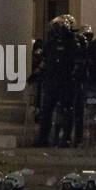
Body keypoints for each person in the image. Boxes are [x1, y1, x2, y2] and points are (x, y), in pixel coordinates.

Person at [34, 15, 79, 147]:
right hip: (52, 81)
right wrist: (36, 73)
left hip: (66, 81)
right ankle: (43, 138)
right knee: (46, 110)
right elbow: (45, 61)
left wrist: (72, 76)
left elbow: (77, 62)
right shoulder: (50, 43)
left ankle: (65, 138)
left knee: (67, 110)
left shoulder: (72, 43)